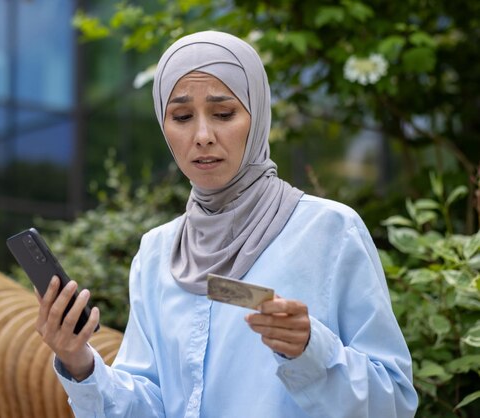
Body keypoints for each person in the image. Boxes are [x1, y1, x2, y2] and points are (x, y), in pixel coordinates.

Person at [35, 30, 418, 417]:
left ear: (258, 115)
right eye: (182, 117)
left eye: (223, 114)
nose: (202, 136)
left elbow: (395, 403)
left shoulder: (329, 231)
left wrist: (311, 350)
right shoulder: (156, 252)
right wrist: (78, 361)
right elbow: (152, 403)